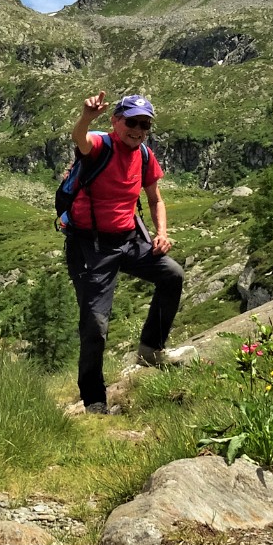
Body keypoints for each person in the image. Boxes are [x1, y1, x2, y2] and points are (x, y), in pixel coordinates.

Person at [65, 91, 184, 414]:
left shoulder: (145, 155)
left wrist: (161, 234)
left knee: (172, 275)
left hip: (129, 238)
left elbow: (155, 199)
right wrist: (86, 117)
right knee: (94, 323)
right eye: (132, 122)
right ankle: (93, 399)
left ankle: (150, 350)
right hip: (90, 245)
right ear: (116, 121)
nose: (138, 130)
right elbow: (80, 138)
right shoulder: (101, 146)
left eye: (145, 125)